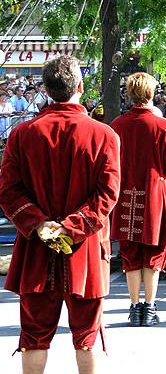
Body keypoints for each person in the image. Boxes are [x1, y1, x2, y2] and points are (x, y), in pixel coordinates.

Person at [0, 55, 120, 373]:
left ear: (47, 89)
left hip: (36, 247)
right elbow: (107, 195)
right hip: (86, 250)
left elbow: (8, 192)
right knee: (87, 337)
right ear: (80, 86)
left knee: (34, 337)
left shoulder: (22, 134)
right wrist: (70, 227)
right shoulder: (104, 135)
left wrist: (40, 225)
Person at [111, 72, 166, 327]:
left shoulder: (117, 124)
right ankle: (149, 307)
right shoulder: (164, 126)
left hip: (126, 193)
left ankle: (134, 306)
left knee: (130, 252)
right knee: (153, 252)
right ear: (151, 93)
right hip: (154, 194)